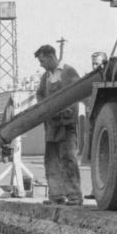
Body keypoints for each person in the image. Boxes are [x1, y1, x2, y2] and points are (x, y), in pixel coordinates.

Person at [34, 44, 83, 205]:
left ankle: (74, 196)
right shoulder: (45, 76)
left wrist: (66, 112)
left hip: (66, 124)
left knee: (68, 159)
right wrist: (44, 107)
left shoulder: (68, 72)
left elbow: (76, 93)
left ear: (50, 57)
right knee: (51, 159)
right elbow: (39, 93)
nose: (41, 64)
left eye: (42, 61)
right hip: (51, 125)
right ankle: (56, 195)